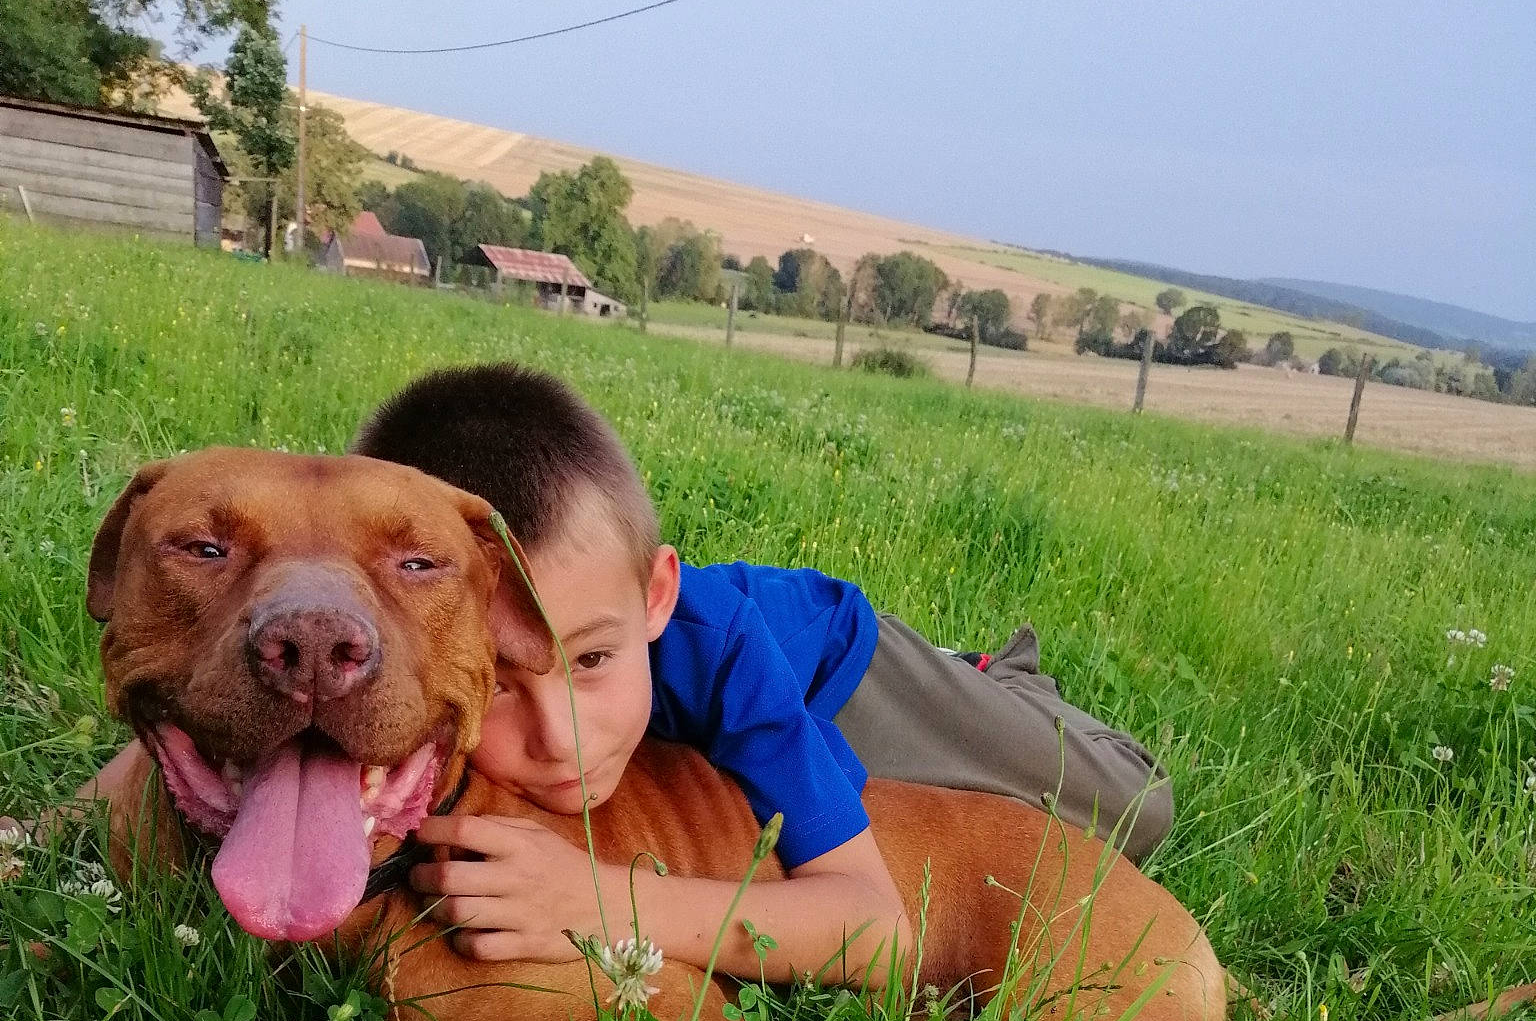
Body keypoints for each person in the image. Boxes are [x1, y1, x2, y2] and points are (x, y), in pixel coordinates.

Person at [349, 362, 1172, 988]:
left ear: (655, 597)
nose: (560, 739)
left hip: (848, 674)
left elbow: (877, 928)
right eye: (497, 685)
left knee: (1126, 809)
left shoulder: (730, 662)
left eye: (593, 661)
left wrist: (598, 902)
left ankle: (998, 678)